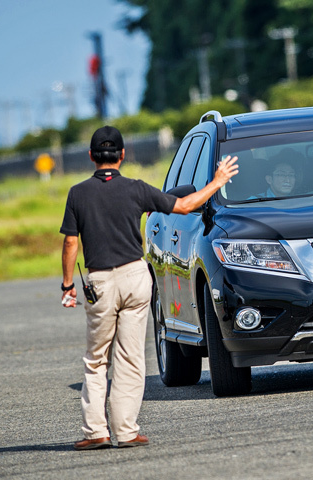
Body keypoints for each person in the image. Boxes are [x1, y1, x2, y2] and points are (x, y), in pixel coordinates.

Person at [59, 126, 238, 450]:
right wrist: (217, 182)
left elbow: (71, 241)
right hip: (134, 278)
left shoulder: (78, 193)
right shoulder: (136, 189)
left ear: (91, 156)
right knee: (130, 358)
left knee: (97, 359)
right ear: (122, 155)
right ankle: (126, 432)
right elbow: (184, 206)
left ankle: (96, 432)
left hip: (100, 281)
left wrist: (68, 284)